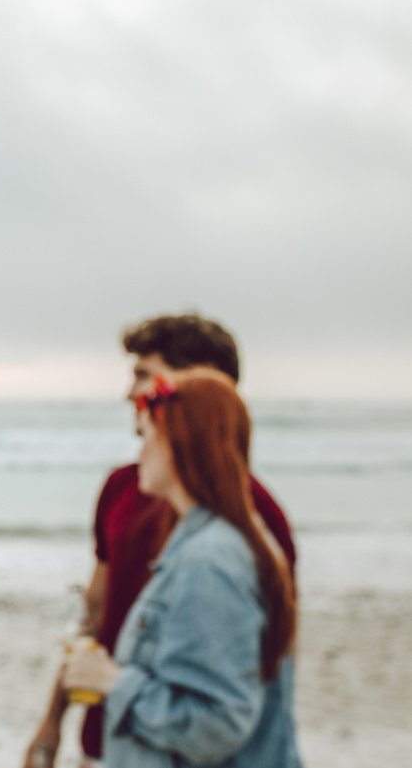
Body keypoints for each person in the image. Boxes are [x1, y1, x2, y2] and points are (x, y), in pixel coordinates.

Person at [22, 313, 296, 768]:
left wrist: (114, 684)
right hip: (117, 743)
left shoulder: (240, 533)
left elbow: (237, 702)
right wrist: (52, 724)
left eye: (144, 378)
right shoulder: (124, 490)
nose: (130, 395)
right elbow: (95, 614)